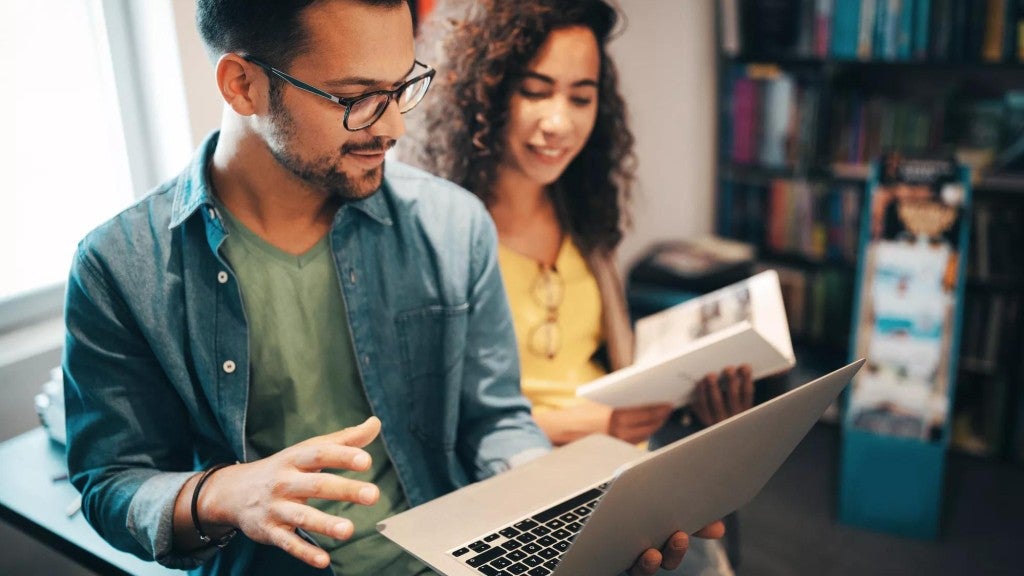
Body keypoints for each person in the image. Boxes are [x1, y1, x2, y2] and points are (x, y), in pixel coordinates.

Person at [62, 1, 718, 575]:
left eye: (402, 87)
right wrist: (222, 495)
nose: (394, 128)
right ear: (243, 85)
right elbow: (110, 482)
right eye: (356, 98)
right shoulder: (120, 265)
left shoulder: (452, 224)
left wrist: (556, 507)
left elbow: (495, 419)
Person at [404, 0, 754, 573]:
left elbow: (608, 363)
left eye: (581, 96)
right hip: (515, 485)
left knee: (702, 558)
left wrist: (692, 391)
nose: (559, 122)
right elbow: (433, 422)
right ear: (487, 94)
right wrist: (591, 424)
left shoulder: (585, 221)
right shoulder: (441, 234)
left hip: (625, 466)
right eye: (536, 90)